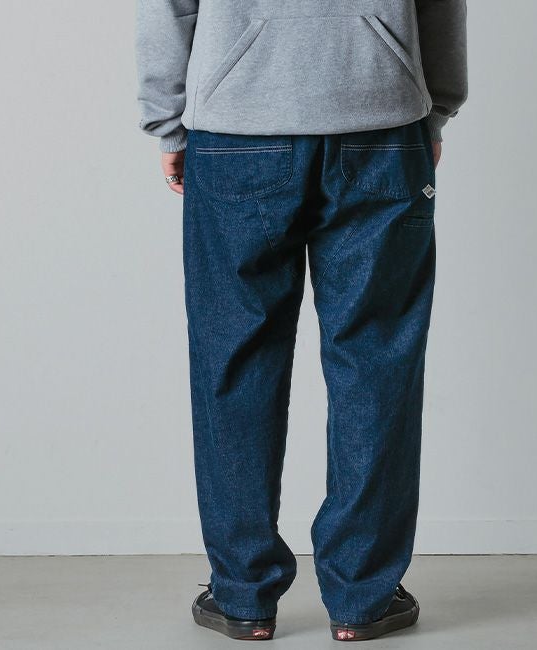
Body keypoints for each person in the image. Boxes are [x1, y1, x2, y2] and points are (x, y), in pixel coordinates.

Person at [136, 0, 467, 641]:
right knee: (377, 359)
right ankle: (364, 595)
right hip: (382, 126)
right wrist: (435, 107)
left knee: (234, 360)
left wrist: (167, 124)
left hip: (236, 133)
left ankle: (242, 595)